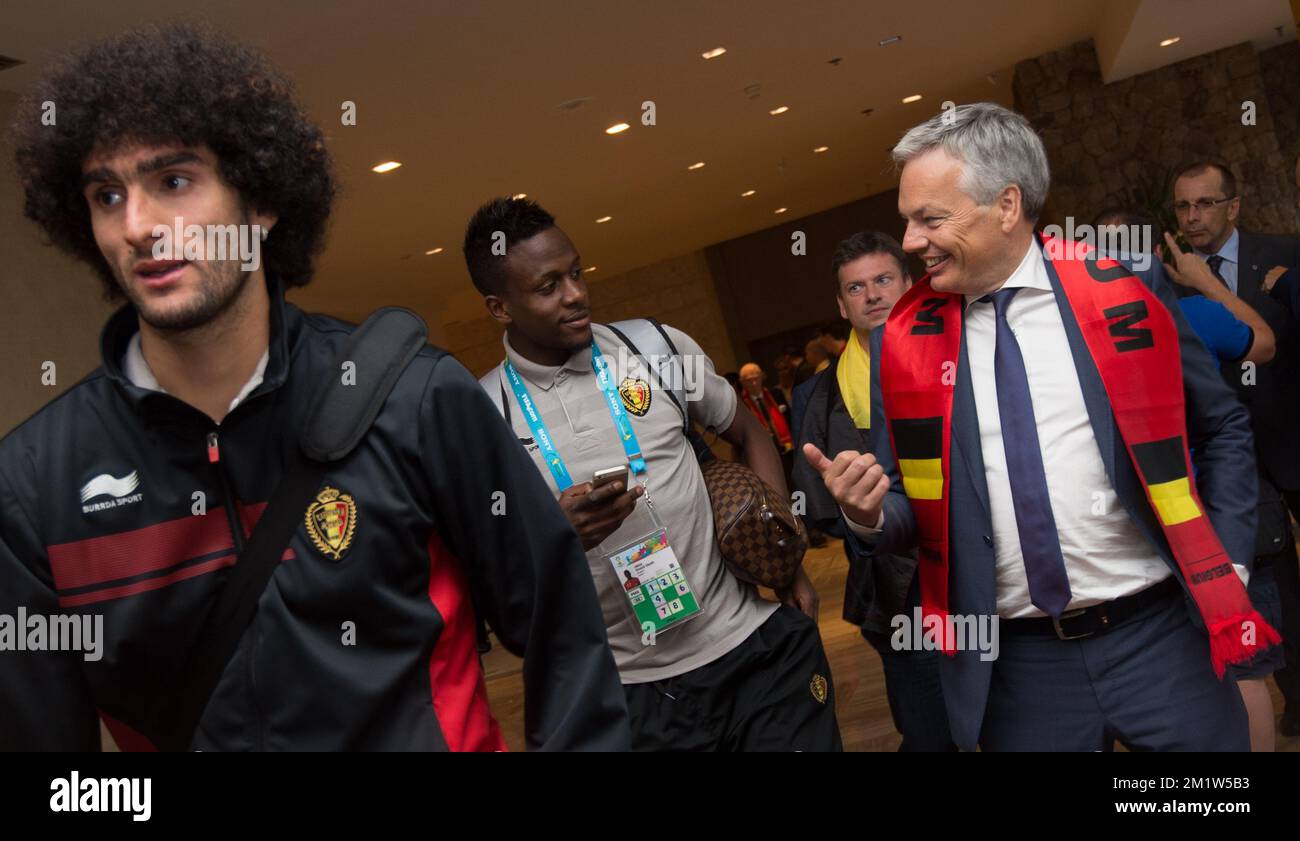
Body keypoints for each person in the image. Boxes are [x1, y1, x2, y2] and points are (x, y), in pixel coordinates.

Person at [0, 25, 627, 751]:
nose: (138, 226)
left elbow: (564, 633)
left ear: (259, 204)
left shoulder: (413, 398)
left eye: (173, 182)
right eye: (107, 195)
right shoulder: (33, 486)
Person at [805, 102, 1274, 751]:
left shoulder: (1122, 289)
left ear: (1005, 205)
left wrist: (1228, 562)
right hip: (1021, 669)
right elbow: (910, 507)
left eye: (929, 219)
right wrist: (868, 514)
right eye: (908, 221)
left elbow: (1221, 425)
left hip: (1162, 638)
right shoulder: (904, 344)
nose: (910, 241)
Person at [464, 196, 840, 751]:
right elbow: (485, 571)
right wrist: (554, 535)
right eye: (548, 287)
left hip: (754, 650)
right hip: (630, 691)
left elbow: (749, 433)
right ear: (500, 307)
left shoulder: (654, 347)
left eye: (576, 273)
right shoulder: (482, 416)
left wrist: (781, 553)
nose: (575, 295)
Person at [792, 230, 954, 751]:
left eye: (884, 279)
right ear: (842, 304)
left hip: (983, 573)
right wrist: (862, 509)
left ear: (910, 283)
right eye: (856, 288)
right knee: (929, 732)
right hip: (895, 593)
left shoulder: (960, 354)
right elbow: (818, 506)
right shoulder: (816, 397)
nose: (873, 295)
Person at [1174, 159, 1300, 737]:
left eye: (1204, 204)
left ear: (1234, 206)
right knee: (1280, 593)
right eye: (1183, 206)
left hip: (1291, 440)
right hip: (1234, 467)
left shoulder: (1284, 253)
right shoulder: (1168, 276)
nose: (1193, 217)